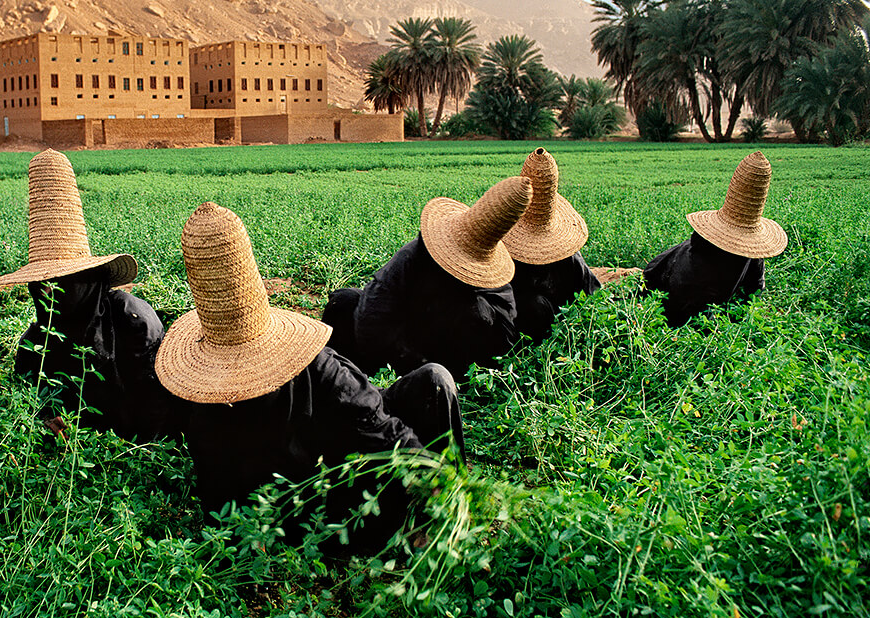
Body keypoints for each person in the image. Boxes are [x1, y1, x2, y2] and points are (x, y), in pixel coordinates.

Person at [155, 202, 464, 555]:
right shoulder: (206, 415)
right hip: (329, 519)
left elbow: (379, 427)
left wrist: (435, 486)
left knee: (432, 384)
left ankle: (432, 522)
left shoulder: (321, 370)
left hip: (331, 488)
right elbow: (224, 511)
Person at [0, 149, 181, 442]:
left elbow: (161, 409)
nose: (51, 291)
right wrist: (46, 424)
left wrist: (129, 457)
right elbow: (34, 407)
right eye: (43, 282)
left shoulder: (132, 321)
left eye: (65, 280)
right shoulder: (35, 345)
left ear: (91, 279)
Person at [323, 177, 532, 380]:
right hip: (399, 345)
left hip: (448, 366)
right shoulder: (415, 255)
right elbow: (373, 313)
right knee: (344, 301)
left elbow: (501, 346)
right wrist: (391, 370)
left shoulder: (489, 294)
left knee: (474, 314)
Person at [644, 151, 788, 327]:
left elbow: (754, 289)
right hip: (666, 295)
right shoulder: (696, 260)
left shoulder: (752, 255)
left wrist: (742, 322)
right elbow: (684, 311)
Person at [501, 148, 600, 344]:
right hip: (511, 338)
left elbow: (594, 298)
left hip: (557, 337)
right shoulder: (502, 253)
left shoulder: (570, 260)